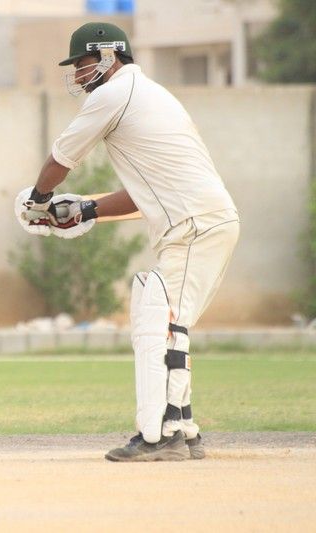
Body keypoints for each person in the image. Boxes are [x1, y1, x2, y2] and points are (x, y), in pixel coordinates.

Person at [21, 22, 240, 461]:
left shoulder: (114, 93)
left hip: (193, 225)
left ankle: (162, 435)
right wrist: (87, 209)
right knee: (170, 322)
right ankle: (183, 428)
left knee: (161, 321)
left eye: (83, 62)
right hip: (205, 220)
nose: (78, 73)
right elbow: (144, 195)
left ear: (108, 55)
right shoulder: (148, 94)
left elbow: (62, 157)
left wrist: (38, 201)